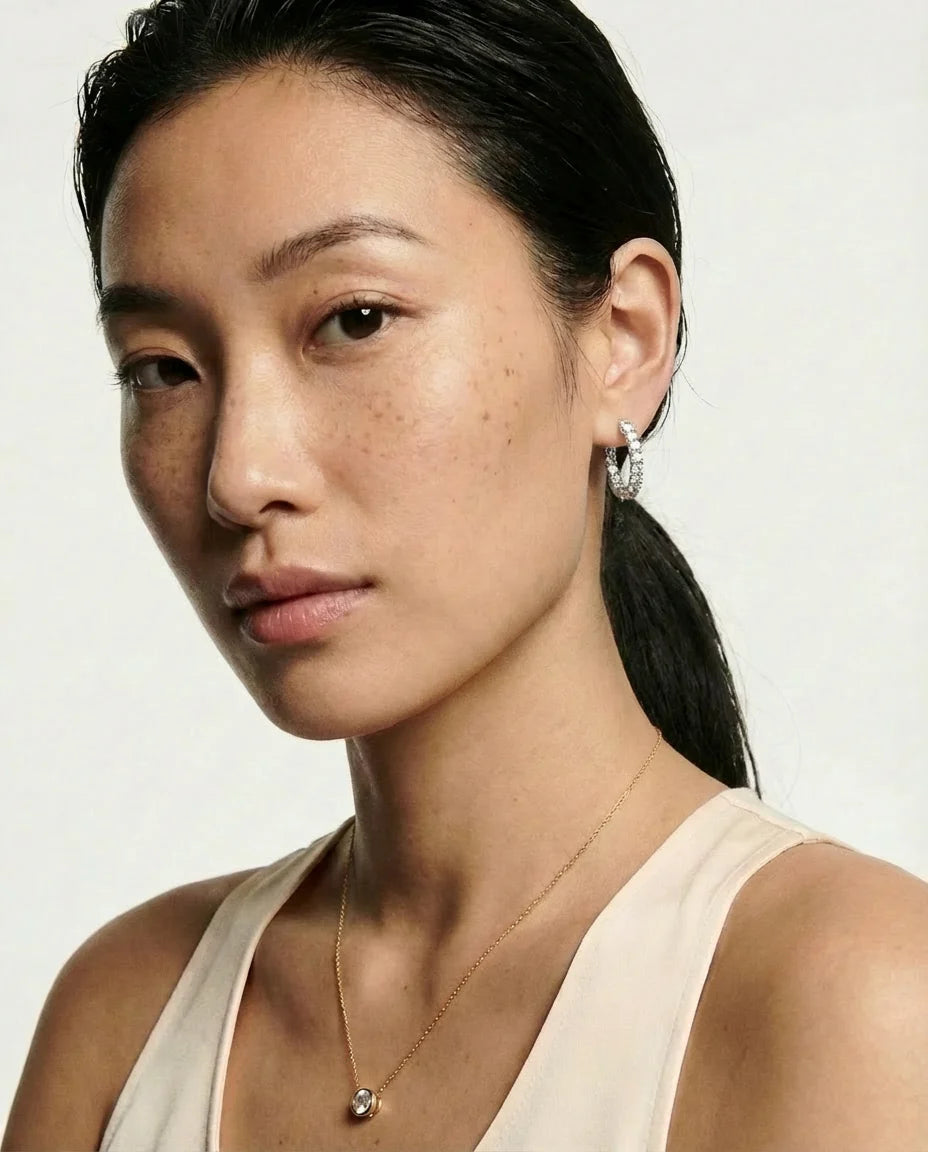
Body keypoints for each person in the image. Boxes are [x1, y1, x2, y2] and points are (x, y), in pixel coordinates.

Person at [5, 0, 928, 1149]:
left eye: (352, 319)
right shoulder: (126, 1016)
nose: (238, 475)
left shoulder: (851, 1001)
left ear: (621, 340)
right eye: (163, 369)